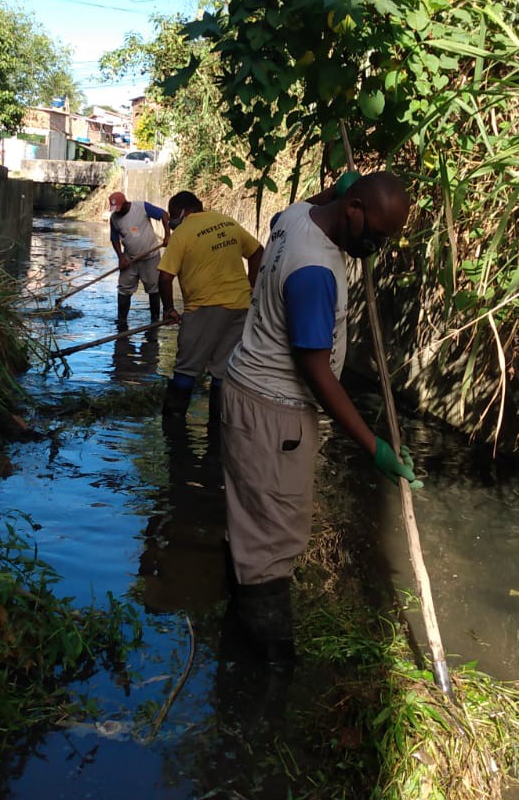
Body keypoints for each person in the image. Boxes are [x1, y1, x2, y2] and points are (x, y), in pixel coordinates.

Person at [221, 171, 422, 665]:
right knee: (273, 542)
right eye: (374, 235)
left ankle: (233, 646)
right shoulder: (314, 273)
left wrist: (338, 186)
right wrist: (372, 445)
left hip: (244, 391)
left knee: (249, 524)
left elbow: (309, 203)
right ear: (353, 209)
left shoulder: (294, 219)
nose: (375, 248)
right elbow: (315, 370)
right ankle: (271, 673)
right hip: (277, 415)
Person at [158, 191, 263, 422]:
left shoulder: (183, 233)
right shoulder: (226, 222)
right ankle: (218, 431)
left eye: (173, 214)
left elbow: (165, 278)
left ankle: (174, 433)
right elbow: (257, 252)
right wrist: (252, 288)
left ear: (184, 211)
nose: (172, 221)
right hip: (241, 308)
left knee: (185, 369)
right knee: (223, 371)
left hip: (204, 309)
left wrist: (168, 310)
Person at [109, 191, 170, 330]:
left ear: (125, 203)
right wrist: (120, 257)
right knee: (124, 289)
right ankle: (122, 321)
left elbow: (163, 215)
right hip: (129, 259)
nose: (117, 212)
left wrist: (167, 236)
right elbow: (114, 239)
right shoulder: (114, 218)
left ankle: (155, 321)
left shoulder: (141, 207)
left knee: (154, 289)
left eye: (119, 208)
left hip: (150, 257)